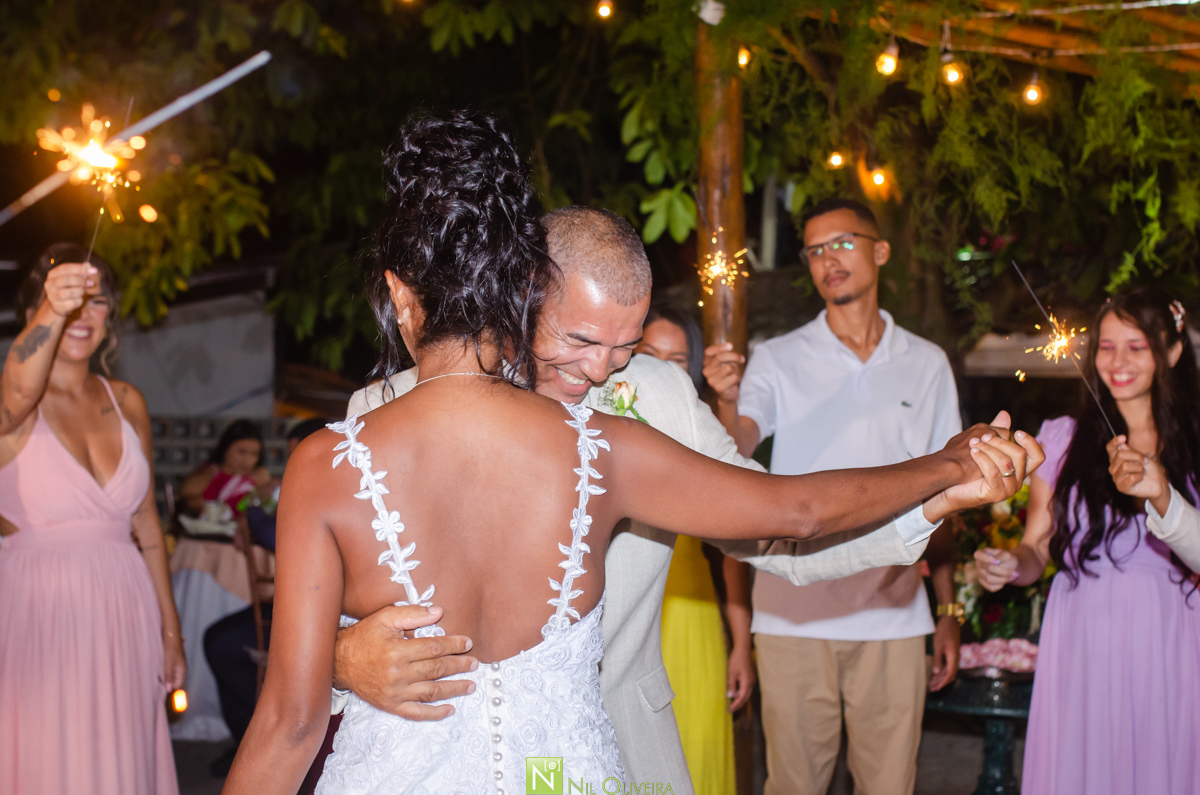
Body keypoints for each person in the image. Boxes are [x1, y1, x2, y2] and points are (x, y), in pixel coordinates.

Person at [224, 111, 1038, 795]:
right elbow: (310, 663)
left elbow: (786, 528)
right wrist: (341, 656)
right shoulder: (421, 426)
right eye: (583, 340)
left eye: (624, 348)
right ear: (524, 292)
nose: (608, 369)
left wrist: (936, 489)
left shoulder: (646, 406)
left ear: (406, 296)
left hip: (602, 750)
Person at [707, 198, 964, 795]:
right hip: (792, 612)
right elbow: (737, 446)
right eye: (816, 251)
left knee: (889, 785)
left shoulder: (926, 363)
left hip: (894, 611)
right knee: (794, 785)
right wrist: (725, 396)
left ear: (880, 251)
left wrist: (947, 612)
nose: (829, 260)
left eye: (842, 243)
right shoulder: (776, 356)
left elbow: (949, 490)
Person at [975, 288, 1200, 794]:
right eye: (1106, 345)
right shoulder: (1062, 439)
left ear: (1172, 352)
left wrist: (1161, 492)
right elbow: (1036, 548)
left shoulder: (1194, 445)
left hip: (1171, 632)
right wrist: (1009, 564)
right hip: (1082, 630)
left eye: (1136, 347)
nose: (1117, 361)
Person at [0, 244, 185, 794]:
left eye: (97, 300)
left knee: (122, 759)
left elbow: (147, 520)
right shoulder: (11, 403)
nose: (84, 313)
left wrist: (169, 630)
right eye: (68, 300)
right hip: (40, 610)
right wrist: (53, 312)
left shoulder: (126, 400)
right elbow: (18, 385)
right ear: (38, 308)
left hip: (125, 610)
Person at [637, 303, 753, 795]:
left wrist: (742, 644)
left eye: (678, 359)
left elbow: (737, 533)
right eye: (649, 353)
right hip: (619, 620)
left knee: (697, 748)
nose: (662, 369)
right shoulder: (597, 425)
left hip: (692, 610)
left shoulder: (695, 436)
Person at [204, 418, 330, 777]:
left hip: (322, 615)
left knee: (223, 644)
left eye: (297, 456)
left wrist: (253, 511)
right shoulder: (303, 488)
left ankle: (267, 736)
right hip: (297, 605)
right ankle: (249, 738)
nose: (294, 466)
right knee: (217, 638)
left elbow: (270, 532)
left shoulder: (331, 489)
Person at [180, 419, 271, 520]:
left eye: (254, 454)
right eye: (241, 452)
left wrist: (263, 489)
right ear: (226, 448)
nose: (248, 460)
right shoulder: (207, 474)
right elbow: (185, 505)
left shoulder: (261, 478)